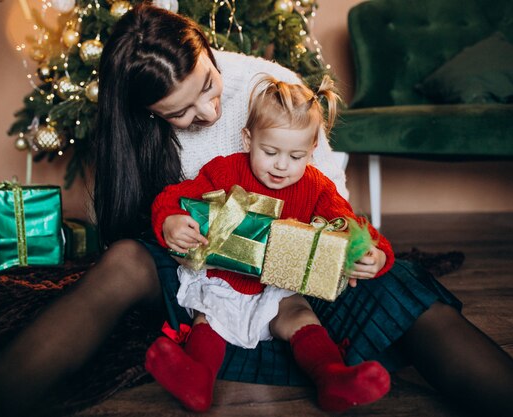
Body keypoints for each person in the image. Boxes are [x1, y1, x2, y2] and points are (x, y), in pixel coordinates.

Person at [0, 3, 513, 417]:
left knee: (404, 290)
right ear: (147, 117)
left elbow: (331, 203)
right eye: (181, 114)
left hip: (297, 275)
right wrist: (171, 227)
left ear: (210, 52)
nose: (208, 114)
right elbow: (154, 213)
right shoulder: (140, 136)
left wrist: (350, 251)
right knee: (126, 259)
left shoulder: (269, 86)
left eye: (207, 86)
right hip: (204, 276)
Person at [146, 74, 393, 412]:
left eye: (295, 156)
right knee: (208, 319)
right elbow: (173, 197)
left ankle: (331, 376)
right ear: (248, 139)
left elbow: (350, 224)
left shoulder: (317, 187)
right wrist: (170, 220)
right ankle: (197, 378)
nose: (281, 165)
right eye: (270, 151)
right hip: (225, 282)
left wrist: (373, 253)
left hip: (280, 288)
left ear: (312, 150)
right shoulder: (225, 171)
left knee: (300, 315)